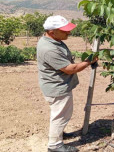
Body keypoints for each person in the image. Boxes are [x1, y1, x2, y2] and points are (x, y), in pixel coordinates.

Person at [37, 15, 97, 152]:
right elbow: (71, 69)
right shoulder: (49, 48)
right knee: (60, 116)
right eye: (64, 30)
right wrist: (89, 62)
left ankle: (58, 135)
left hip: (56, 85)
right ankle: (55, 146)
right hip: (57, 88)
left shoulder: (54, 40)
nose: (68, 32)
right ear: (52, 32)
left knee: (60, 114)